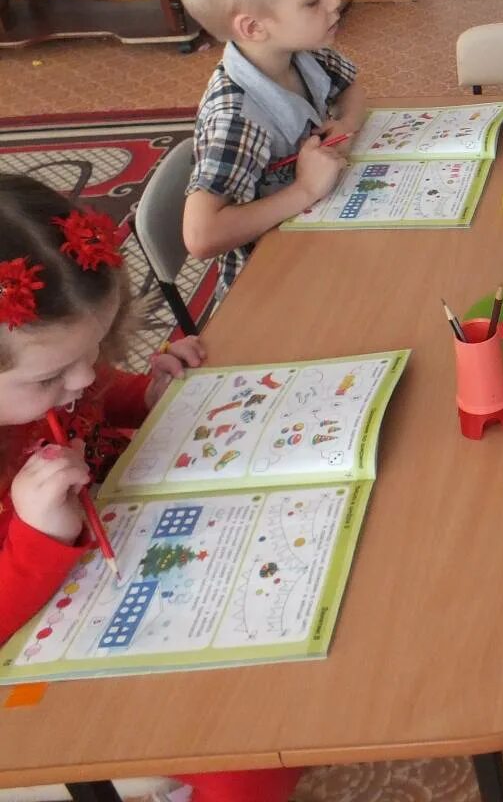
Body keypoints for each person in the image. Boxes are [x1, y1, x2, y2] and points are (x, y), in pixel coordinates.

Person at [0, 175, 300, 802]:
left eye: (97, 348)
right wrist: (34, 537)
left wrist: (146, 396)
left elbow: (99, 401)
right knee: (242, 752)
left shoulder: (48, 378)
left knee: (277, 666)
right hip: (34, 678)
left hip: (120, 585)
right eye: (55, 374)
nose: (86, 377)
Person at [176, 0, 367, 299]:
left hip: (317, 237)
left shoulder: (300, 51)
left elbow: (354, 88)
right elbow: (201, 236)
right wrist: (304, 190)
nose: (334, 1)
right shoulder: (237, 118)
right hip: (269, 282)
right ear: (253, 27)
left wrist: (345, 124)